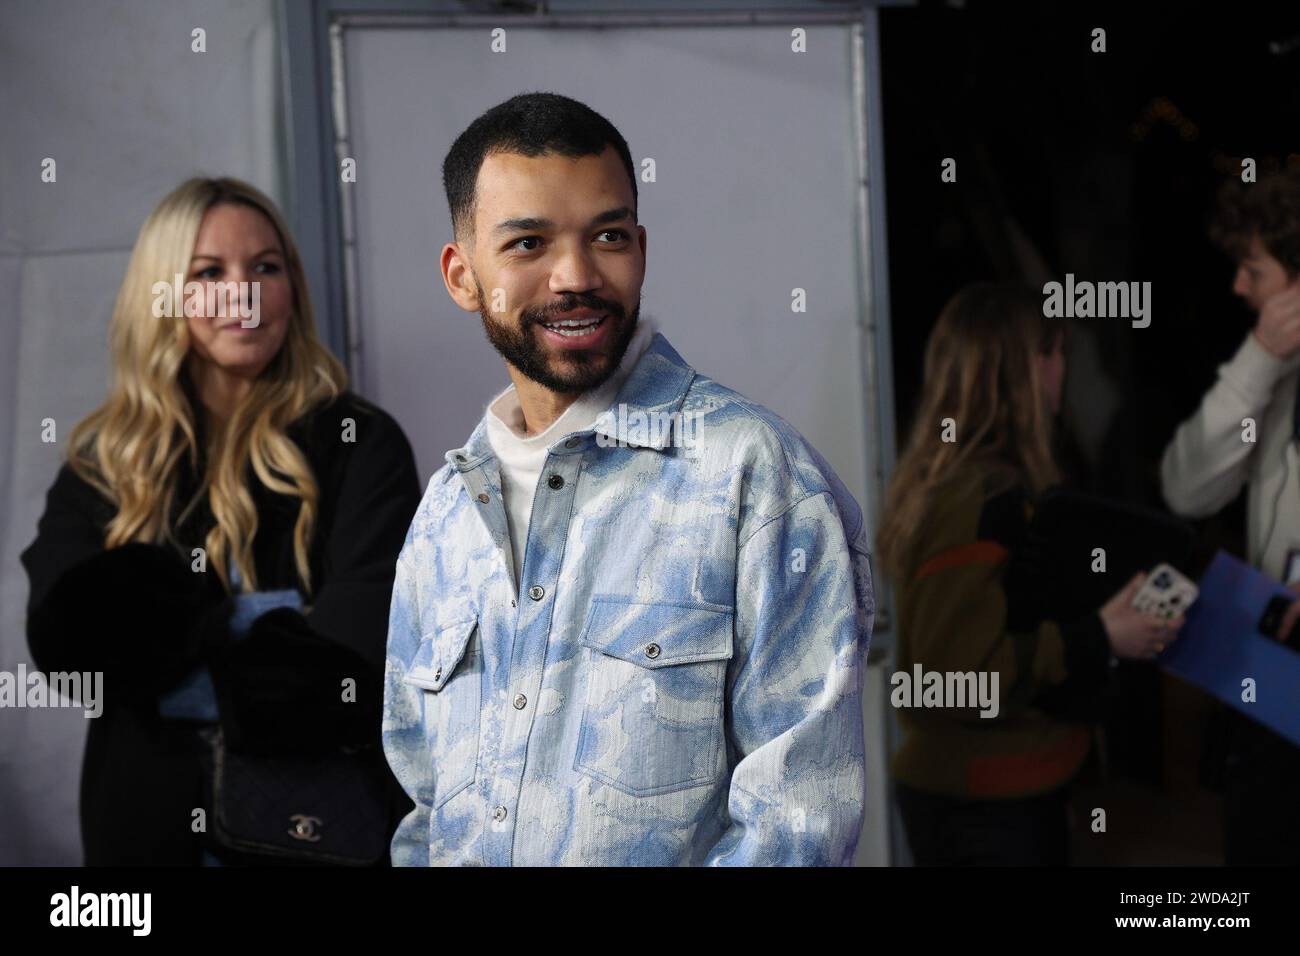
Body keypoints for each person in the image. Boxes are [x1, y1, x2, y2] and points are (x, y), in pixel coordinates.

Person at [381, 92, 874, 866]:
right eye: (528, 244)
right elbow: (424, 811)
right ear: (463, 275)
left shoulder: (753, 475)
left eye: (607, 236)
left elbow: (797, 825)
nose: (576, 276)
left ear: (640, 249)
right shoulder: (445, 518)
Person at [20, 176, 421, 865]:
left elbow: (357, 669)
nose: (245, 293)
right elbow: (69, 648)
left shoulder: (360, 441)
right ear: (165, 291)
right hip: (145, 846)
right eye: (209, 272)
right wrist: (268, 623)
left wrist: (182, 632)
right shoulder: (104, 459)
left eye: (265, 267)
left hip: (319, 841)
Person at [877, 282, 1177, 866]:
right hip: (987, 805)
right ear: (1024, 370)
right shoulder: (979, 496)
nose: (1064, 370)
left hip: (997, 792)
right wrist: (1098, 636)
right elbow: (953, 676)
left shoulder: (975, 486)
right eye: (1056, 352)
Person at [1159, 167, 1300, 864]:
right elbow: (1186, 490)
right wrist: (1259, 360)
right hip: (1275, 677)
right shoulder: (1272, 370)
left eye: (1253, 269)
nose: (1238, 287)